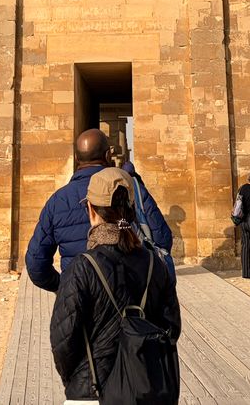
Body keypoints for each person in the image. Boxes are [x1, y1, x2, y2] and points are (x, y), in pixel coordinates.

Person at [50, 167, 181, 403]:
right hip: (145, 389)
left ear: (90, 210)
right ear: (132, 210)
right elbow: (171, 327)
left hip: (93, 389)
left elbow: (63, 339)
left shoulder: (83, 267)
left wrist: (77, 380)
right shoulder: (155, 263)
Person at [26, 129, 174, 293]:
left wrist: (65, 286)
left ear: (76, 158)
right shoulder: (129, 189)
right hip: (130, 292)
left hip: (80, 296)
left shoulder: (57, 201)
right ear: (108, 155)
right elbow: (162, 240)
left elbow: (36, 263)